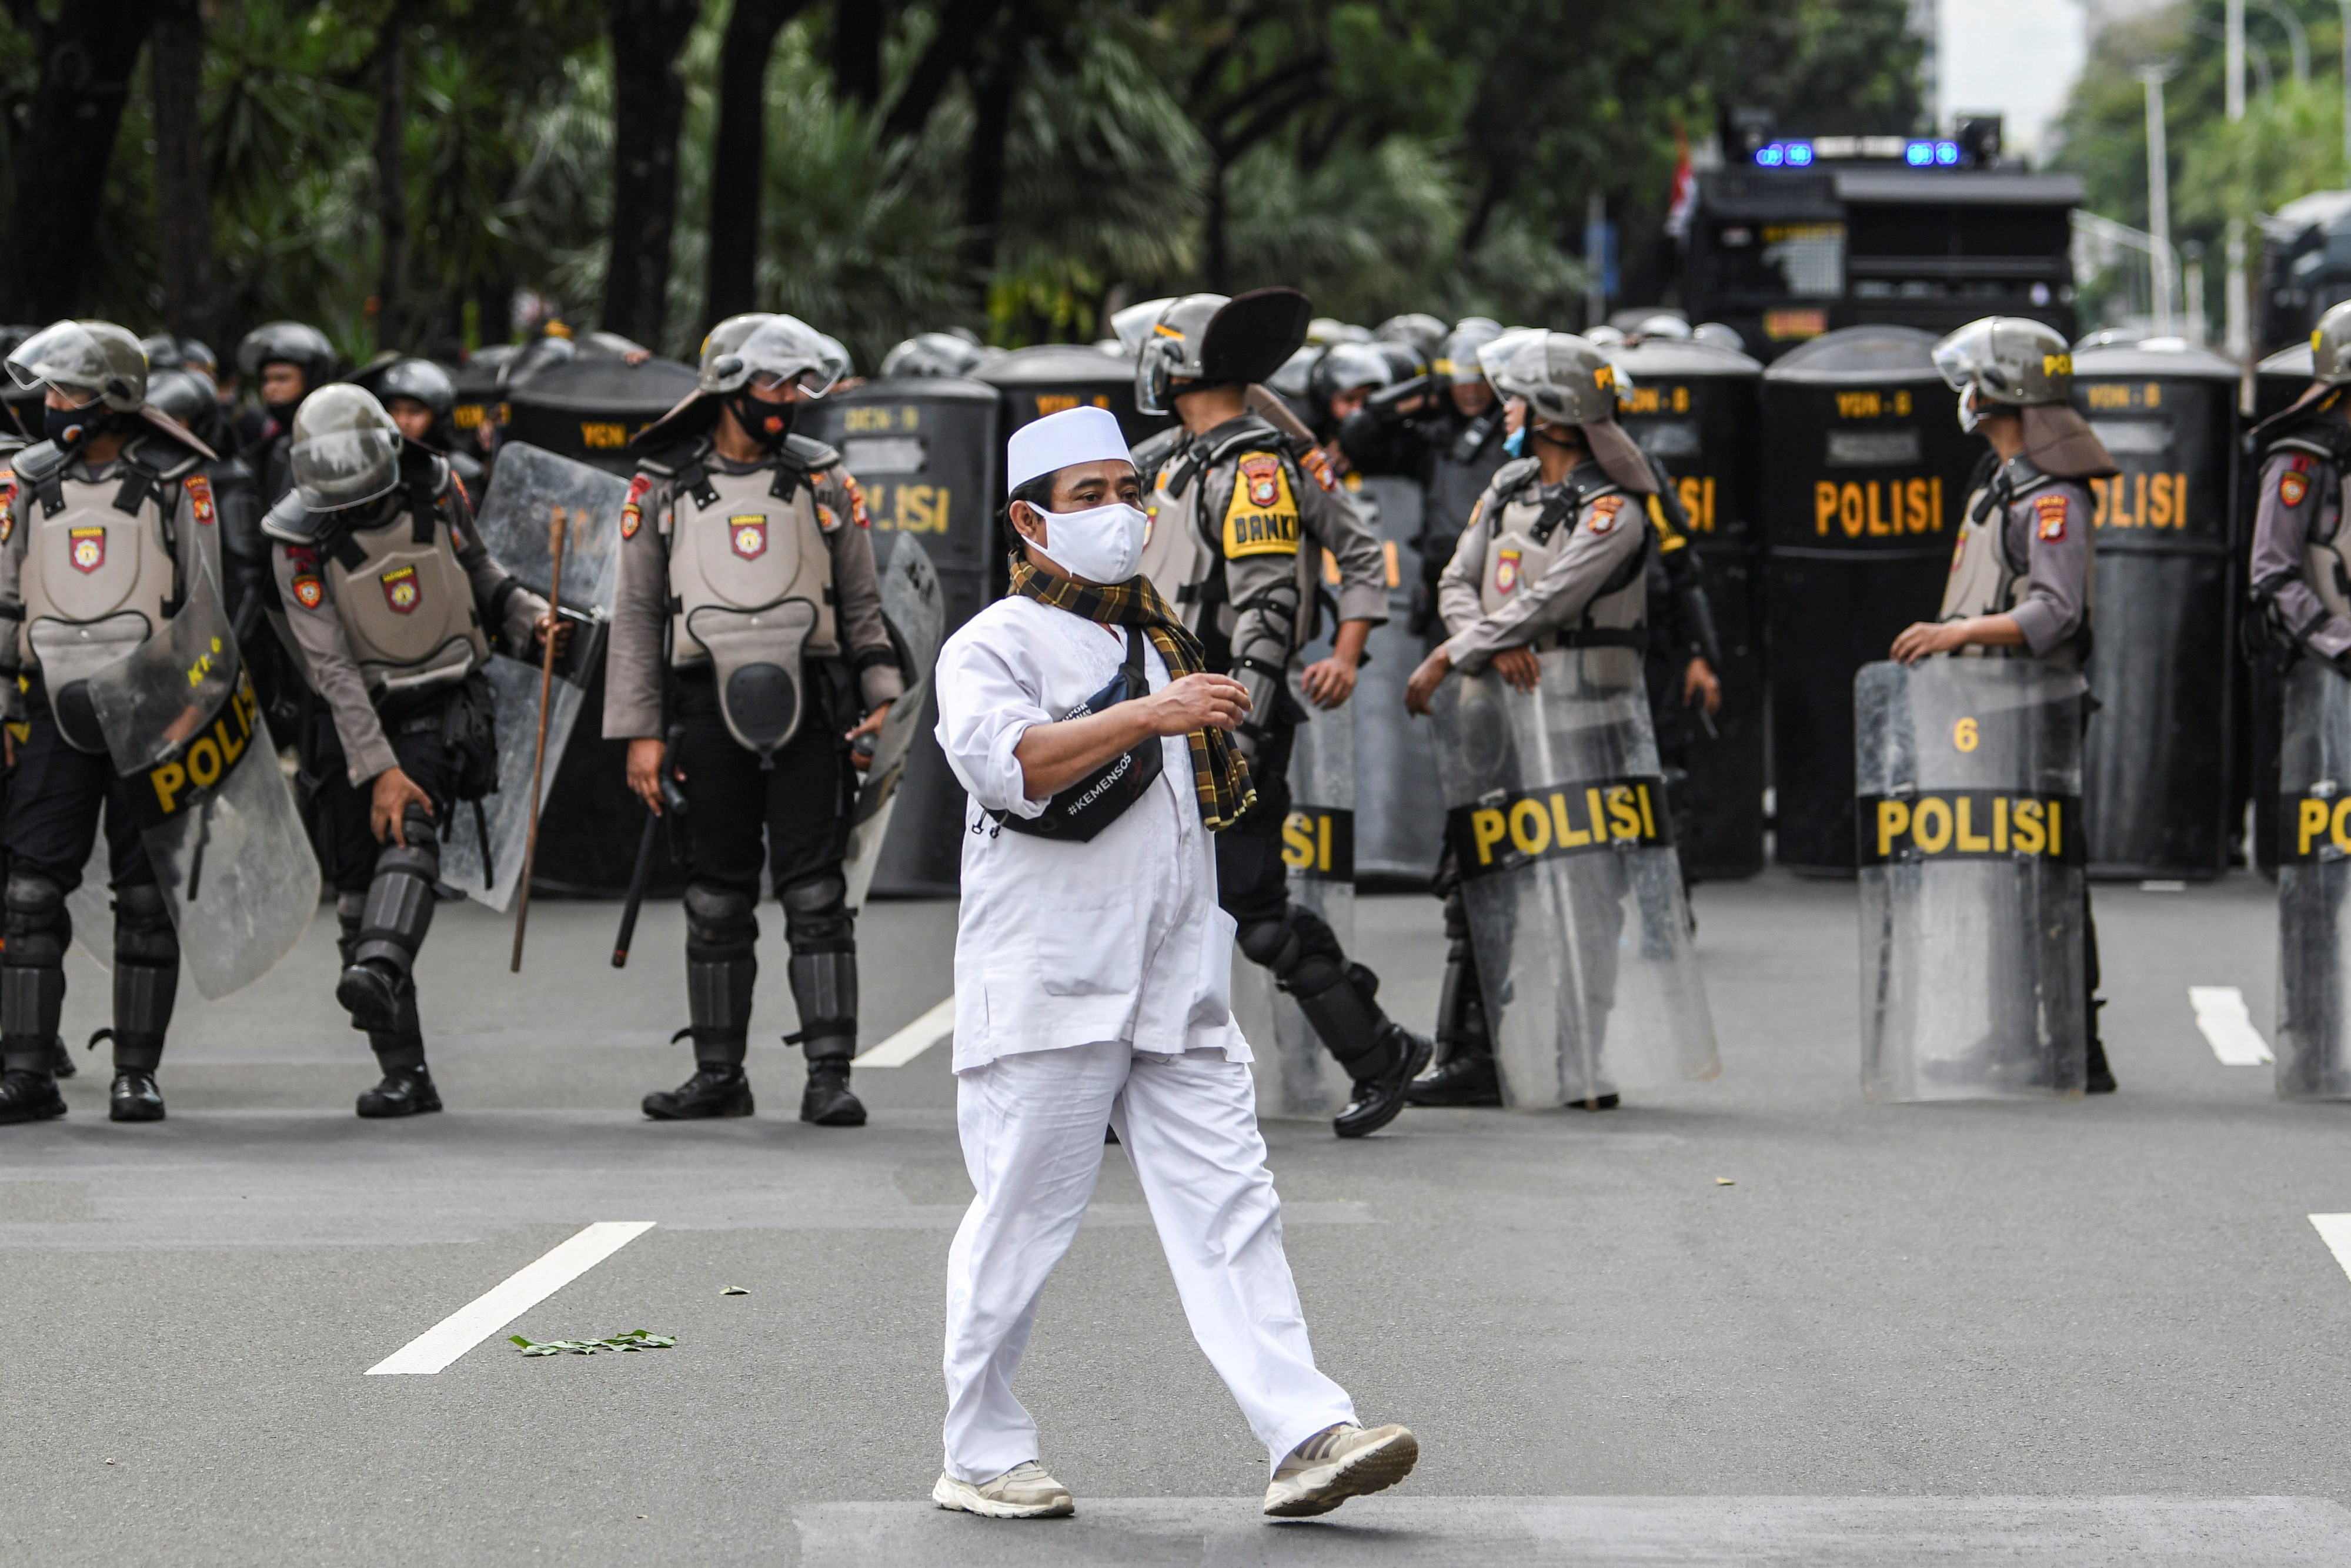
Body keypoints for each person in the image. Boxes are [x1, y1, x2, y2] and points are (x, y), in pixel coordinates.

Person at [930, 404, 1418, 1522]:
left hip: (1173, 985)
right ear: (1028, 520)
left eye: (1124, 490)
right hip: (1051, 983)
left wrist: (1163, 700)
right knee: (1020, 1220)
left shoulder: (1158, 637)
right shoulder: (995, 641)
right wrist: (1151, 713)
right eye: (1087, 497)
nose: (1118, 514)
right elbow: (1011, 768)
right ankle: (980, 1448)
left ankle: (1306, 1432)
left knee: (1231, 1207)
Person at [1131, 290, 1434, 1138]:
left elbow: (1267, 609)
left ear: (1181, 365)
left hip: (1225, 716)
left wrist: (1248, 726)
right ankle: (1133, 1093)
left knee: (1250, 909)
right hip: (1160, 714)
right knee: (1156, 904)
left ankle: (1378, 1051)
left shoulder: (1258, 466)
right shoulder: (1173, 456)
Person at [605, 313, 903, 1128]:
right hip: (702, 705)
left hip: (812, 700)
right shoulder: (660, 482)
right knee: (714, 896)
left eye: (800, 384)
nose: (790, 398)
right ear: (731, 384)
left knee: (815, 891)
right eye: (774, 382)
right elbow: (634, 614)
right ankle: (718, 1076)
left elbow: (862, 602)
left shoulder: (824, 479)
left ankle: (828, 1074)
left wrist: (883, 696)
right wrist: (641, 728)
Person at [262, 385, 559, 1115]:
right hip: (351, 712)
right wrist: (379, 769)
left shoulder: (436, 483)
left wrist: (528, 614)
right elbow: (329, 668)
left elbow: (477, 570)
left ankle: (381, 969)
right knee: (360, 900)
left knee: (411, 829)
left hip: (441, 695)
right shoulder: (298, 537)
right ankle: (406, 1071)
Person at [1403, 330, 1660, 1110]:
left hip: (1587, 720)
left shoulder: (1614, 508)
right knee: (1474, 880)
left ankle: (1579, 1062)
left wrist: (1462, 651)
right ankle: (1468, 1055)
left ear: (1553, 411)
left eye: (1515, 397)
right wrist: (1481, 645)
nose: (1503, 409)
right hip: (1497, 719)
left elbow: (1555, 600)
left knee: (1585, 893)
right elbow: (1457, 577)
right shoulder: (1506, 485)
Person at [1889, 315, 2118, 1094]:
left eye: (1975, 382)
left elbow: (2055, 612)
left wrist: (1955, 634)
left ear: (2005, 392)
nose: (1964, 396)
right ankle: (2013, 1032)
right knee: (1999, 876)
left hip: (2034, 706)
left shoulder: (2052, 498)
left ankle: (2073, 1043)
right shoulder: (2003, 484)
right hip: (1991, 704)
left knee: (2047, 873)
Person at [0, 321, 220, 1124]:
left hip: (153, 708)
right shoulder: (22, 480)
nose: (50, 405)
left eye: (67, 392)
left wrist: (196, 710)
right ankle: (26, 1070)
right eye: (50, 390)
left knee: (144, 895)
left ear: (115, 399)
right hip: (53, 706)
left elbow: (205, 607)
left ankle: (137, 1072)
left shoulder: (176, 479)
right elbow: (4, 600)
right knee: (27, 893)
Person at [2249, 298, 2351, 872]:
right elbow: (2271, 575)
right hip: (2320, 680)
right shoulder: (2301, 460)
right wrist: (2338, 644)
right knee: (2321, 873)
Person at [1340, 317, 1510, 643]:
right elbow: (1359, 440)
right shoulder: (1434, 437)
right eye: (1460, 381)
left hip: (1503, 581)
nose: (1470, 391)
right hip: (1442, 589)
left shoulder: (1517, 435)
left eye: (1479, 380)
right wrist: (1415, 397)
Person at [235, 321, 339, 507]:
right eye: (266, 380)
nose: (270, 388)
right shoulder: (270, 446)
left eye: (282, 379)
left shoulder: (336, 440)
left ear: (312, 379)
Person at [355, 356, 487, 497]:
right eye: (395, 410)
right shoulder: (371, 468)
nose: (402, 421)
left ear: (438, 416)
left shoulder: (459, 473)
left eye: (414, 412)